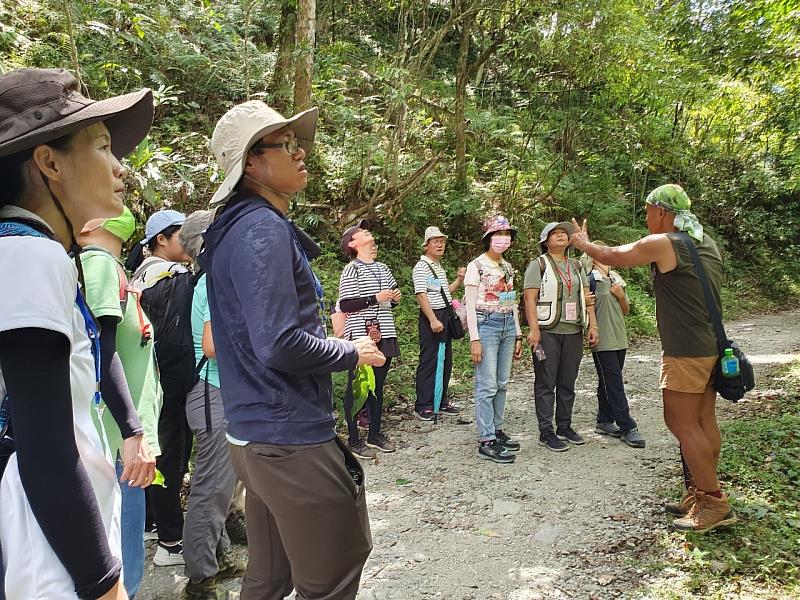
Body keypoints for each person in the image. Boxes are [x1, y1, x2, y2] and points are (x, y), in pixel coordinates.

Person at [200, 100, 384, 599]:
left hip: (255, 437)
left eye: (297, 142)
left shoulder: (233, 226)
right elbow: (278, 342)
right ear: (252, 163)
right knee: (334, 574)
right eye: (286, 144)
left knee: (270, 577)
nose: (301, 153)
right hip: (289, 437)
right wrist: (350, 351)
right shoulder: (260, 228)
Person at [0, 67, 154, 600]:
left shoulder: (30, 253)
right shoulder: (28, 255)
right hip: (45, 551)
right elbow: (43, 444)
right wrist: (102, 582)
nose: (119, 169)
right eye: (104, 147)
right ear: (48, 163)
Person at [570, 183, 737, 533]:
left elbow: (616, 255)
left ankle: (713, 500)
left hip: (686, 350)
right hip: (709, 345)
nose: (646, 218)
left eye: (647, 211)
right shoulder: (703, 242)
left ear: (661, 212)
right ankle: (699, 491)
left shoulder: (665, 242)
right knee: (704, 420)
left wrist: (584, 244)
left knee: (681, 422)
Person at [78, 206, 163, 598]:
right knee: (124, 563)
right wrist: (133, 430)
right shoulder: (97, 263)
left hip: (121, 438)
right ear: (90, 222)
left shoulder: (111, 266)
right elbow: (101, 352)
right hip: (117, 440)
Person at [177, 210, 246, 599]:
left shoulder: (214, 280)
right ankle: (199, 579)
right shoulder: (211, 283)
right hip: (212, 394)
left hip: (220, 394)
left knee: (225, 484)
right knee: (211, 488)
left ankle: (215, 560)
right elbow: (211, 346)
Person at [129, 209, 194, 566]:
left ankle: (152, 524)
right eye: (181, 234)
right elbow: (177, 337)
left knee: (158, 450)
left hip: (148, 378)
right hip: (171, 379)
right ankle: (171, 543)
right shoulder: (171, 277)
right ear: (161, 240)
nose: (188, 242)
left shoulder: (140, 275)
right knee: (171, 454)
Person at [523, 222, 599, 452]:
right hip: (547, 331)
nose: (560, 236)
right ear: (545, 241)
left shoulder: (576, 266)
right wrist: (534, 329)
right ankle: (546, 431)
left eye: (563, 233)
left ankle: (564, 426)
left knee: (568, 381)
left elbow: (587, 297)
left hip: (573, 331)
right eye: (554, 234)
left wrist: (592, 325)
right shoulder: (538, 265)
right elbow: (529, 299)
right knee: (546, 381)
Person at [464, 215, 524, 464]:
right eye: (499, 234)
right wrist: (474, 339)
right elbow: (469, 305)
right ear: (489, 238)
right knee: (486, 385)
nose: (504, 239)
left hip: (507, 325)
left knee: (501, 383)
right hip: (486, 325)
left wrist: (518, 332)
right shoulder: (475, 266)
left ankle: (497, 430)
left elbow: (511, 301)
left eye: (507, 235)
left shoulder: (508, 267)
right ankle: (486, 439)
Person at [338, 220, 400, 458]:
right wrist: (375, 298)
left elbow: (392, 299)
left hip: (385, 332)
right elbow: (345, 304)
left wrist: (394, 297)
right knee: (358, 387)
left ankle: (375, 434)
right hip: (362, 336)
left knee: (378, 386)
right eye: (362, 232)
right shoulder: (351, 270)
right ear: (353, 243)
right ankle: (354, 438)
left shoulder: (383, 268)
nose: (369, 235)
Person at [582, 245, 646, 448]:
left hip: (620, 338)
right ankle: (627, 426)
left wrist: (620, 295)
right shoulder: (590, 279)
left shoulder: (616, 278)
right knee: (614, 383)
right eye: (600, 254)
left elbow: (626, 310)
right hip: (602, 340)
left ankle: (604, 420)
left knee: (608, 381)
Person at [412, 225, 466, 420]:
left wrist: (459, 280)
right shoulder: (421, 267)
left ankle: (441, 400)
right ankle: (423, 405)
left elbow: (444, 293)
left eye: (442, 242)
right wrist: (433, 319)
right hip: (431, 317)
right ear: (426, 245)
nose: (440, 245)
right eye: (435, 241)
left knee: (445, 359)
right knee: (429, 360)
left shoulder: (438, 268)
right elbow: (421, 295)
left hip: (444, 314)